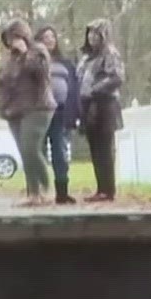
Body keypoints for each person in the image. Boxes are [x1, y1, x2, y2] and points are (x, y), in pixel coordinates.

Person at [0, 19, 54, 207]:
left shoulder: (38, 50)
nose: (12, 42)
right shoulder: (8, 60)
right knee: (24, 152)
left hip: (37, 107)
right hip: (15, 110)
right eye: (8, 39)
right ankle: (33, 193)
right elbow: (2, 83)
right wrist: (1, 105)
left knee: (31, 149)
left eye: (15, 37)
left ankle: (46, 189)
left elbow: (41, 73)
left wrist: (25, 53)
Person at [78, 18, 124, 202]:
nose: (92, 37)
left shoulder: (110, 53)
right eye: (89, 33)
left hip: (105, 104)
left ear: (104, 35)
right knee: (95, 147)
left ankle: (108, 190)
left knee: (105, 147)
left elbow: (117, 77)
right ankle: (100, 189)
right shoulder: (86, 58)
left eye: (96, 33)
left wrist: (95, 88)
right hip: (88, 104)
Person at [37, 25, 81, 206]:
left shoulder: (66, 63)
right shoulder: (34, 60)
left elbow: (74, 88)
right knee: (38, 152)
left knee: (60, 153)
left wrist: (76, 113)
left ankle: (62, 193)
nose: (49, 40)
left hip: (61, 112)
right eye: (45, 37)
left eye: (52, 37)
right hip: (39, 112)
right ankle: (38, 192)